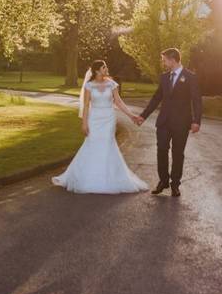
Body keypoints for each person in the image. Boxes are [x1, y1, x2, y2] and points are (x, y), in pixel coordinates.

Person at [51, 60, 149, 194]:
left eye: (106, 67)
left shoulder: (112, 84)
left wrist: (131, 115)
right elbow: (86, 106)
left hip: (108, 118)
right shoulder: (89, 86)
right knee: (92, 144)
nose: (106, 69)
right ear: (97, 70)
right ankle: (88, 177)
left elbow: (119, 102)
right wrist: (84, 123)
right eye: (104, 67)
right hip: (95, 119)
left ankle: (109, 178)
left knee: (107, 145)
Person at [136, 48, 203, 197]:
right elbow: (156, 98)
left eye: (164, 60)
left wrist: (196, 121)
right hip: (164, 122)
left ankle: (175, 184)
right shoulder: (164, 77)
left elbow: (196, 100)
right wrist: (143, 116)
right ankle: (163, 181)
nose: (163, 63)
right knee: (161, 151)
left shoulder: (190, 77)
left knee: (178, 154)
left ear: (173, 60)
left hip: (182, 123)